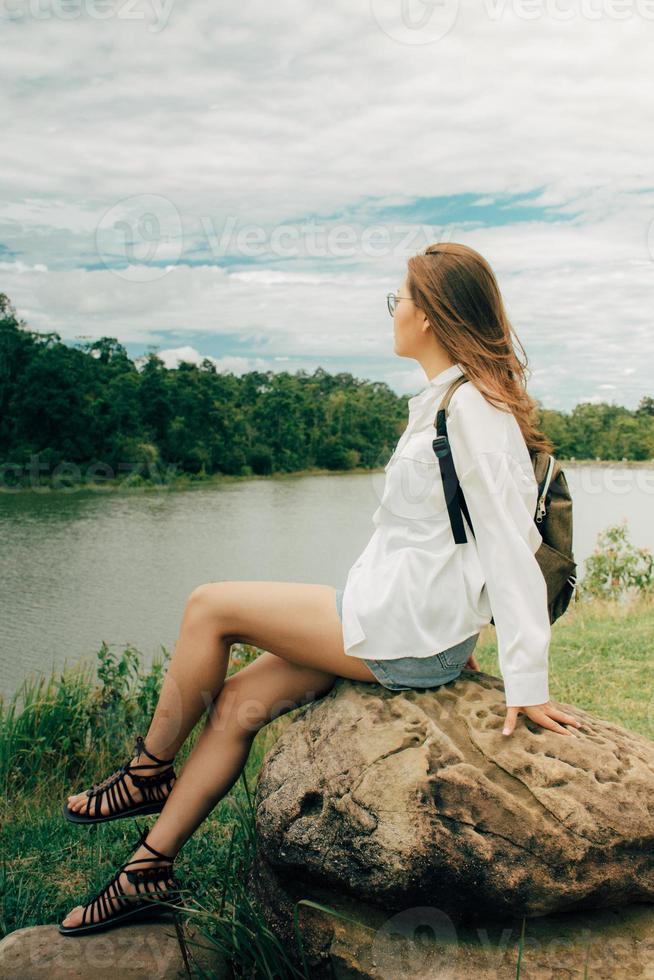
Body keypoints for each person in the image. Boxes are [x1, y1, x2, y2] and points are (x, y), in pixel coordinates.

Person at [59, 241, 581, 935]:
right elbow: (450, 540)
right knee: (240, 700)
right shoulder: (445, 401)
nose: (392, 309)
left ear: (428, 315)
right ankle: (147, 871)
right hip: (402, 622)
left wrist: (526, 682)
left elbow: (510, 548)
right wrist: (464, 632)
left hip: (400, 632)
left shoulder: (471, 412)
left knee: (209, 606)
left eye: (398, 297)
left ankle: (148, 771)